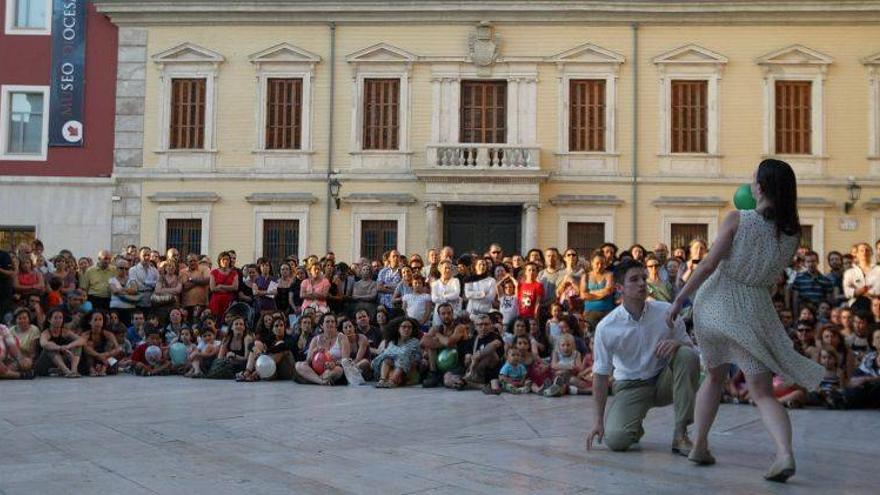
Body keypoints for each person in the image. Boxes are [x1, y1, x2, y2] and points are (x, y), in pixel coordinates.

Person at [668, 159, 824, 482]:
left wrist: (680, 299)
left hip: (715, 304)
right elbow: (770, 280)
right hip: (753, 309)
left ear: (761, 187)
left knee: (713, 377)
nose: (750, 185)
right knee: (763, 391)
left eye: (754, 180)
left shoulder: (738, 218)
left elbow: (709, 265)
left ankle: (699, 444)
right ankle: (784, 454)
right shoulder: (792, 236)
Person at [587, 259, 700, 457]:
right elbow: (600, 375)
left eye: (643, 278)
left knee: (685, 355)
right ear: (620, 288)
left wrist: (678, 344)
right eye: (634, 279)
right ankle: (633, 425)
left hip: (664, 380)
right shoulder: (607, 327)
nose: (642, 283)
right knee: (616, 440)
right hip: (630, 386)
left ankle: (681, 435)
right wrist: (598, 421)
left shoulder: (666, 311)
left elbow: (692, 348)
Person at [294, 313, 349, 385]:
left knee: (338, 370)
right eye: (327, 321)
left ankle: (314, 379)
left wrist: (334, 363)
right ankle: (321, 381)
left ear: (336, 325)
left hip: (333, 369)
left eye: (332, 322)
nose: (330, 324)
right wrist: (314, 351)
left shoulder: (342, 337)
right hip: (316, 369)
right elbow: (308, 361)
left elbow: (345, 360)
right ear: (321, 325)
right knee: (298, 365)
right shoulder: (316, 339)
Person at [372, 317, 422, 388]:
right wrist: (393, 357)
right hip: (391, 365)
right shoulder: (392, 341)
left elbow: (405, 354)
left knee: (402, 358)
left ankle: (392, 381)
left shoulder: (414, 341)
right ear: (398, 329)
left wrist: (394, 356)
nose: (407, 329)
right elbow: (386, 354)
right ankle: (382, 380)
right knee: (387, 359)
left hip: (407, 368)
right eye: (404, 327)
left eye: (409, 327)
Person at [34, 309, 85, 377]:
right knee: (50, 347)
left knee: (78, 345)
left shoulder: (65, 331)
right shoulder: (46, 333)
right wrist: (60, 348)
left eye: (60, 318)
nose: (58, 320)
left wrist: (69, 346)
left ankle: (73, 370)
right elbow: (43, 343)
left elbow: (82, 340)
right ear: (49, 320)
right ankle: (66, 371)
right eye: (55, 318)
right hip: (45, 363)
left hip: (61, 360)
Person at [580, 251, 615, 330]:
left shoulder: (609, 275)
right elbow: (582, 295)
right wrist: (602, 293)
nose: (599, 266)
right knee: (590, 337)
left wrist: (591, 293)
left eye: (602, 263)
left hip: (607, 311)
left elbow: (609, 291)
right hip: (589, 312)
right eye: (597, 263)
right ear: (592, 263)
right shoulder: (586, 276)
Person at [179, 253, 211, 322]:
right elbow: (186, 286)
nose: (193, 262)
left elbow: (207, 280)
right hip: (187, 305)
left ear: (198, 261)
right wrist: (200, 280)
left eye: (195, 260)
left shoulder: (205, 269)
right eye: (190, 261)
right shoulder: (183, 272)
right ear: (187, 262)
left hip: (202, 304)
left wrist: (191, 279)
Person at [129, 247, 160, 314]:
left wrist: (146, 283)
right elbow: (136, 286)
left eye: (148, 255)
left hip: (151, 303)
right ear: (139, 256)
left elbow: (159, 284)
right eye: (144, 255)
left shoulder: (154, 270)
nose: (146, 257)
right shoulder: (133, 270)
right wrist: (152, 284)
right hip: (139, 303)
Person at [209, 252, 239, 319]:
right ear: (219, 261)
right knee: (215, 319)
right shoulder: (214, 272)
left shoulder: (234, 273)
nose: (225, 261)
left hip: (228, 301)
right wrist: (228, 288)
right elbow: (213, 288)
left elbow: (235, 287)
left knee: (227, 319)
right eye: (223, 259)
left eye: (227, 259)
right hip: (216, 302)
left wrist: (221, 286)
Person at [108, 260, 139, 326]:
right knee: (115, 328)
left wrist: (121, 289)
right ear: (116, 269)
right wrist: (129, 291)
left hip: (129, 309)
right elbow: (115, 291)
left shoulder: (132, 279)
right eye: (121, 268)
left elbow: (134, 290)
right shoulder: (112, 280)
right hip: (115, 309)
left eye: (126, 268)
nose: (124, 270)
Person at [430, 260, 461, 325]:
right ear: (440, 269)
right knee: (438, 330)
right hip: (438, 313)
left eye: (449, 268)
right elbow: (434, 299)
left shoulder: (455, 281)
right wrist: (449, 297)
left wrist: (442, 297)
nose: (447, 270)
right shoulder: (435, 283)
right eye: (445, 268)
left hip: (452, 311)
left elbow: (456, 294)